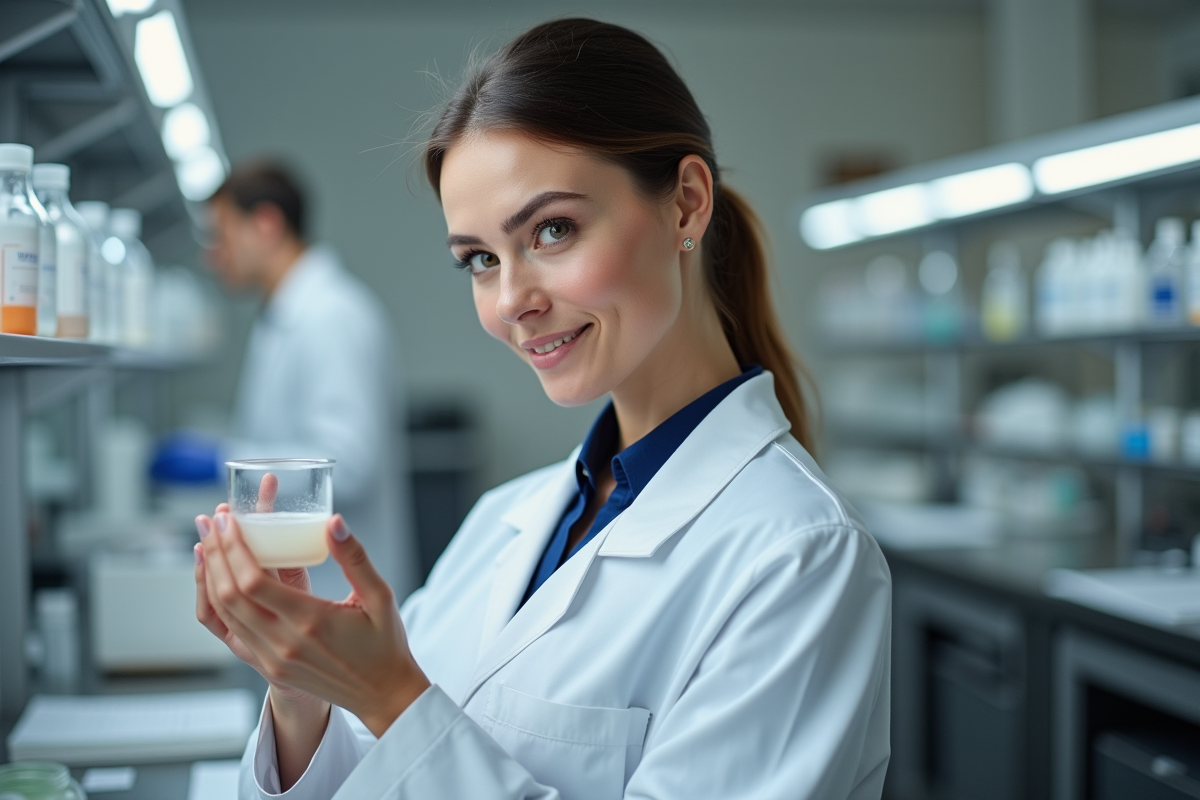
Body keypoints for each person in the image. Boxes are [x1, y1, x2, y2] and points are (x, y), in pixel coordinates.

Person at [195, 19, 891, 800]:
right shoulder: (504, 520)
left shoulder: (799, 557)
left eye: (553, 230)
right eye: (481, 260)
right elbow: (384, 770)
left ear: (687, 205)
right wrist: (304, 689)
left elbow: (412, 727)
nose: (512, 301)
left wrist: (392, 696)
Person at [205, 162, 416, 601]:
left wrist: (224, 461)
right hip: (306, 590)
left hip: (336, 593)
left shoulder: (330, 316)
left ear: (265, 224)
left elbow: (349, 466)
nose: (214, 254)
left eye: (221, 234)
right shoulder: (285, 316)